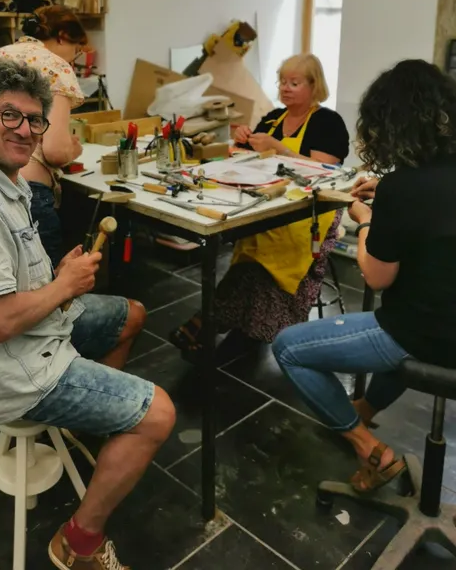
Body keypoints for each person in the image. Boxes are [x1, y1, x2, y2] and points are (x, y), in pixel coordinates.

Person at [0, 59, 176, 570]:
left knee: (130, 314)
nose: (25, 130)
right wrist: (62, 286)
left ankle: (95, 431)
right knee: (159, 415)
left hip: (34, 334)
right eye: (9, 115)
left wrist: (54, 279)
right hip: (7, 368)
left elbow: (9, 286)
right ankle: (78, 543)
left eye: (35, 120)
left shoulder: (2, 179)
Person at [273, 59, 456, 493]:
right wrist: (389, 200)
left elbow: (376, 278)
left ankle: (365, 444)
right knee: (408, 333)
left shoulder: (403, 189)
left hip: (427, 334)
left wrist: (367, 218)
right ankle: (363, 409)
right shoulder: (417, 185)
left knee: (288, 347)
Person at [171, 53, 349, 356]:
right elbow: (249, 160)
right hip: (270, 206)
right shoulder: (272, 118)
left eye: (294, 82)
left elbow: (327, 174)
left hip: (311, 215)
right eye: (282, 81)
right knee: (252, 253)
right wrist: (243, 140)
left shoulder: (327, 123)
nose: (286, 87)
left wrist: (278, 148)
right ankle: (229, 325)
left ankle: (208, 323)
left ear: (313, 85)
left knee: (262, 261)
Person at [0, 4, 87, 266]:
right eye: (76, 49)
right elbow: (55, 151)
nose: (74, 58)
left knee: (4, 285)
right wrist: (73, 150)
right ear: (62, 35)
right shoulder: (55, 66)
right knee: (46, 294)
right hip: (28, 195)